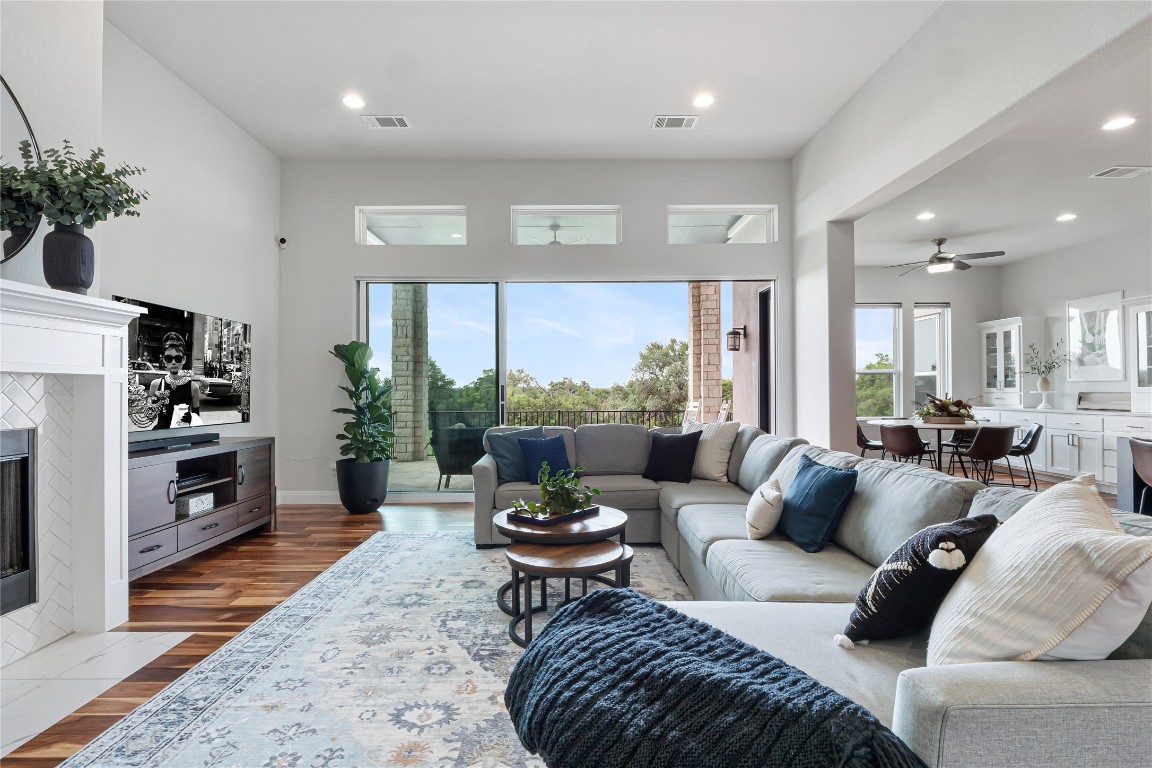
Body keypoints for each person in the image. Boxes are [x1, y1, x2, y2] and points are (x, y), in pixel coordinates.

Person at [148, 332, 201, 429]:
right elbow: (149, 416)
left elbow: (197, 417)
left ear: (184, 360)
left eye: (178, 358)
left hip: (181, 436)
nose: (173, 362)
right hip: (161, 436)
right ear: (164, 360)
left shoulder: (193, 387)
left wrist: (191, 418)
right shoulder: (155, 385)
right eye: (169, 358)